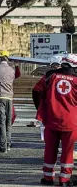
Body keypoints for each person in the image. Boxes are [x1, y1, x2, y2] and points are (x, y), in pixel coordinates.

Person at [37, 54, 77, 187]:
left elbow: (36, 91)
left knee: (50, 149)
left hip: (51, 120)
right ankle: (64, 180)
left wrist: (42, 108)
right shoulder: (76, 80)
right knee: (67, 151)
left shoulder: (50, 77)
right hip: (71, 122)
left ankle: (47, 178)